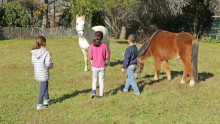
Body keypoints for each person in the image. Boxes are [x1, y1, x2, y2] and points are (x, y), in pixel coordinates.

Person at [31, 36, 54, 109]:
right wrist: (51, 65)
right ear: (44, 43)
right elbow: (48, 64)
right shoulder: (46, 52)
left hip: (37, 72)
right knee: (43, 86)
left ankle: (47, 99)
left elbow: (33, 62)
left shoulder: (34, 52)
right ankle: (39, 104)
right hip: (43, 71)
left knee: (45, 83)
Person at [89, 31, 110, 99]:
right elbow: (107, 57)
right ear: (102, 38)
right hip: (102, 66)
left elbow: (90, 57)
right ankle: (101, 95)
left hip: (94, 66)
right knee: (101, 80)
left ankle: (93, 92)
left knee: (94, 79)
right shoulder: (104, 46)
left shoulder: (92, 46)